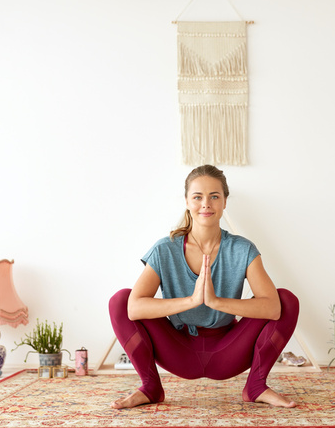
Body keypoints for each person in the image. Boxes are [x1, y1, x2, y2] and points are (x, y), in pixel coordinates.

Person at [108, 165, 300, 409]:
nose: (206, 204)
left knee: (286, 300)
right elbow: (133, 308)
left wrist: (216, 301)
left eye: (214, 196)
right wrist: (192, 300)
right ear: (187, 201)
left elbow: (273, 308)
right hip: (178, 350)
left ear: (225, 202)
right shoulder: (164, 249)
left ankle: (256, 386)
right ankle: (150, 387)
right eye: (198, 197)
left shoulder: (243, 249)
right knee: (120, 300)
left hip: (228, 352)